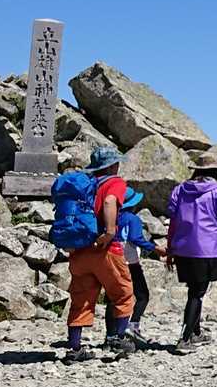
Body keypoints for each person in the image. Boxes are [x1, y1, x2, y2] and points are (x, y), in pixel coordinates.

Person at [57, 145, 137, 363]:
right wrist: (109, 232)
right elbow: (110, 201)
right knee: (123, 293)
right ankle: (118, 339)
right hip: (105, 249)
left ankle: (74, 348)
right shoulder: (115, 183)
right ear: (112, 166)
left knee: (81, 299)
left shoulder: (86, 185)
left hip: (80, 249)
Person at [166, 151, 217, 351]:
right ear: (216, 171)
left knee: (193, 288)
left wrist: (170, 247)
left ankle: (196, 332)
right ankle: (185, 337)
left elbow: (173, 221)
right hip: (207, 248)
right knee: (197, 293)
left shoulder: (180, 189)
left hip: (182, 247)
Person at [115, 190, 165, 346]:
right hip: (130, 262)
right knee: (142, 296)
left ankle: (113, 333)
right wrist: (155, 248)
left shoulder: (113, 217)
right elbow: (135, 238)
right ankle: (133, 326)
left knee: (117, 298)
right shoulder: (133, 219)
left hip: (114, 261)